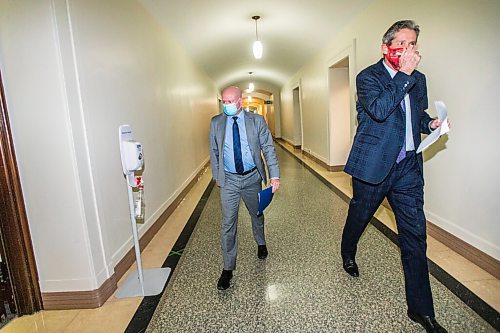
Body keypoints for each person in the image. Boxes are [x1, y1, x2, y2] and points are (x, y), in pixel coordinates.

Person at [340, 20, 448, 333]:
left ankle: (421, 311)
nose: (409, 49)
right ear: (386, 46)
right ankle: (348, 250)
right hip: (373, 167)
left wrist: (430, 125)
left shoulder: (419, 80)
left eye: (413, 43)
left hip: (408, 170)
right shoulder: (367, 77)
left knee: (415, 238)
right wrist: (405, 74)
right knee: (359, 217)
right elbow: (380, 109)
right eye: (402, 42)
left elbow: (416, 117)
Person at [209, 86, 280, 290]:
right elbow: (214, 151)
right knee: (228, 223)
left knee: (256, 214)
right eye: (225, 101)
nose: (227, 105)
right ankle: (228, 268)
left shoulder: (256, 121)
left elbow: (268, 147)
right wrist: (218, 177)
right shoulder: (216, 123)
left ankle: (261, 242)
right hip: (229, 180)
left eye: (231, 101)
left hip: (251, 178)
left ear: (240, 101)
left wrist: (274, 175)